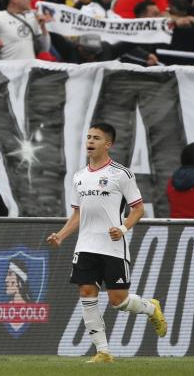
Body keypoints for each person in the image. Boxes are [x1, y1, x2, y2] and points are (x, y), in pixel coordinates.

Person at [46, 122, 167, 363]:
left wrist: (122, 229)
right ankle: (103, 351)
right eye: (88, 137)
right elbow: (77, 216)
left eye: (96, 138)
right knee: (87, 292)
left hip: (112, 247)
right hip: (85, 246)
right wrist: (60, 235)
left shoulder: (121, 174)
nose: (90, 141)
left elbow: (138, 209)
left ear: (108, 144)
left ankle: (151, 307)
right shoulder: (78, 177)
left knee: (118, 301)